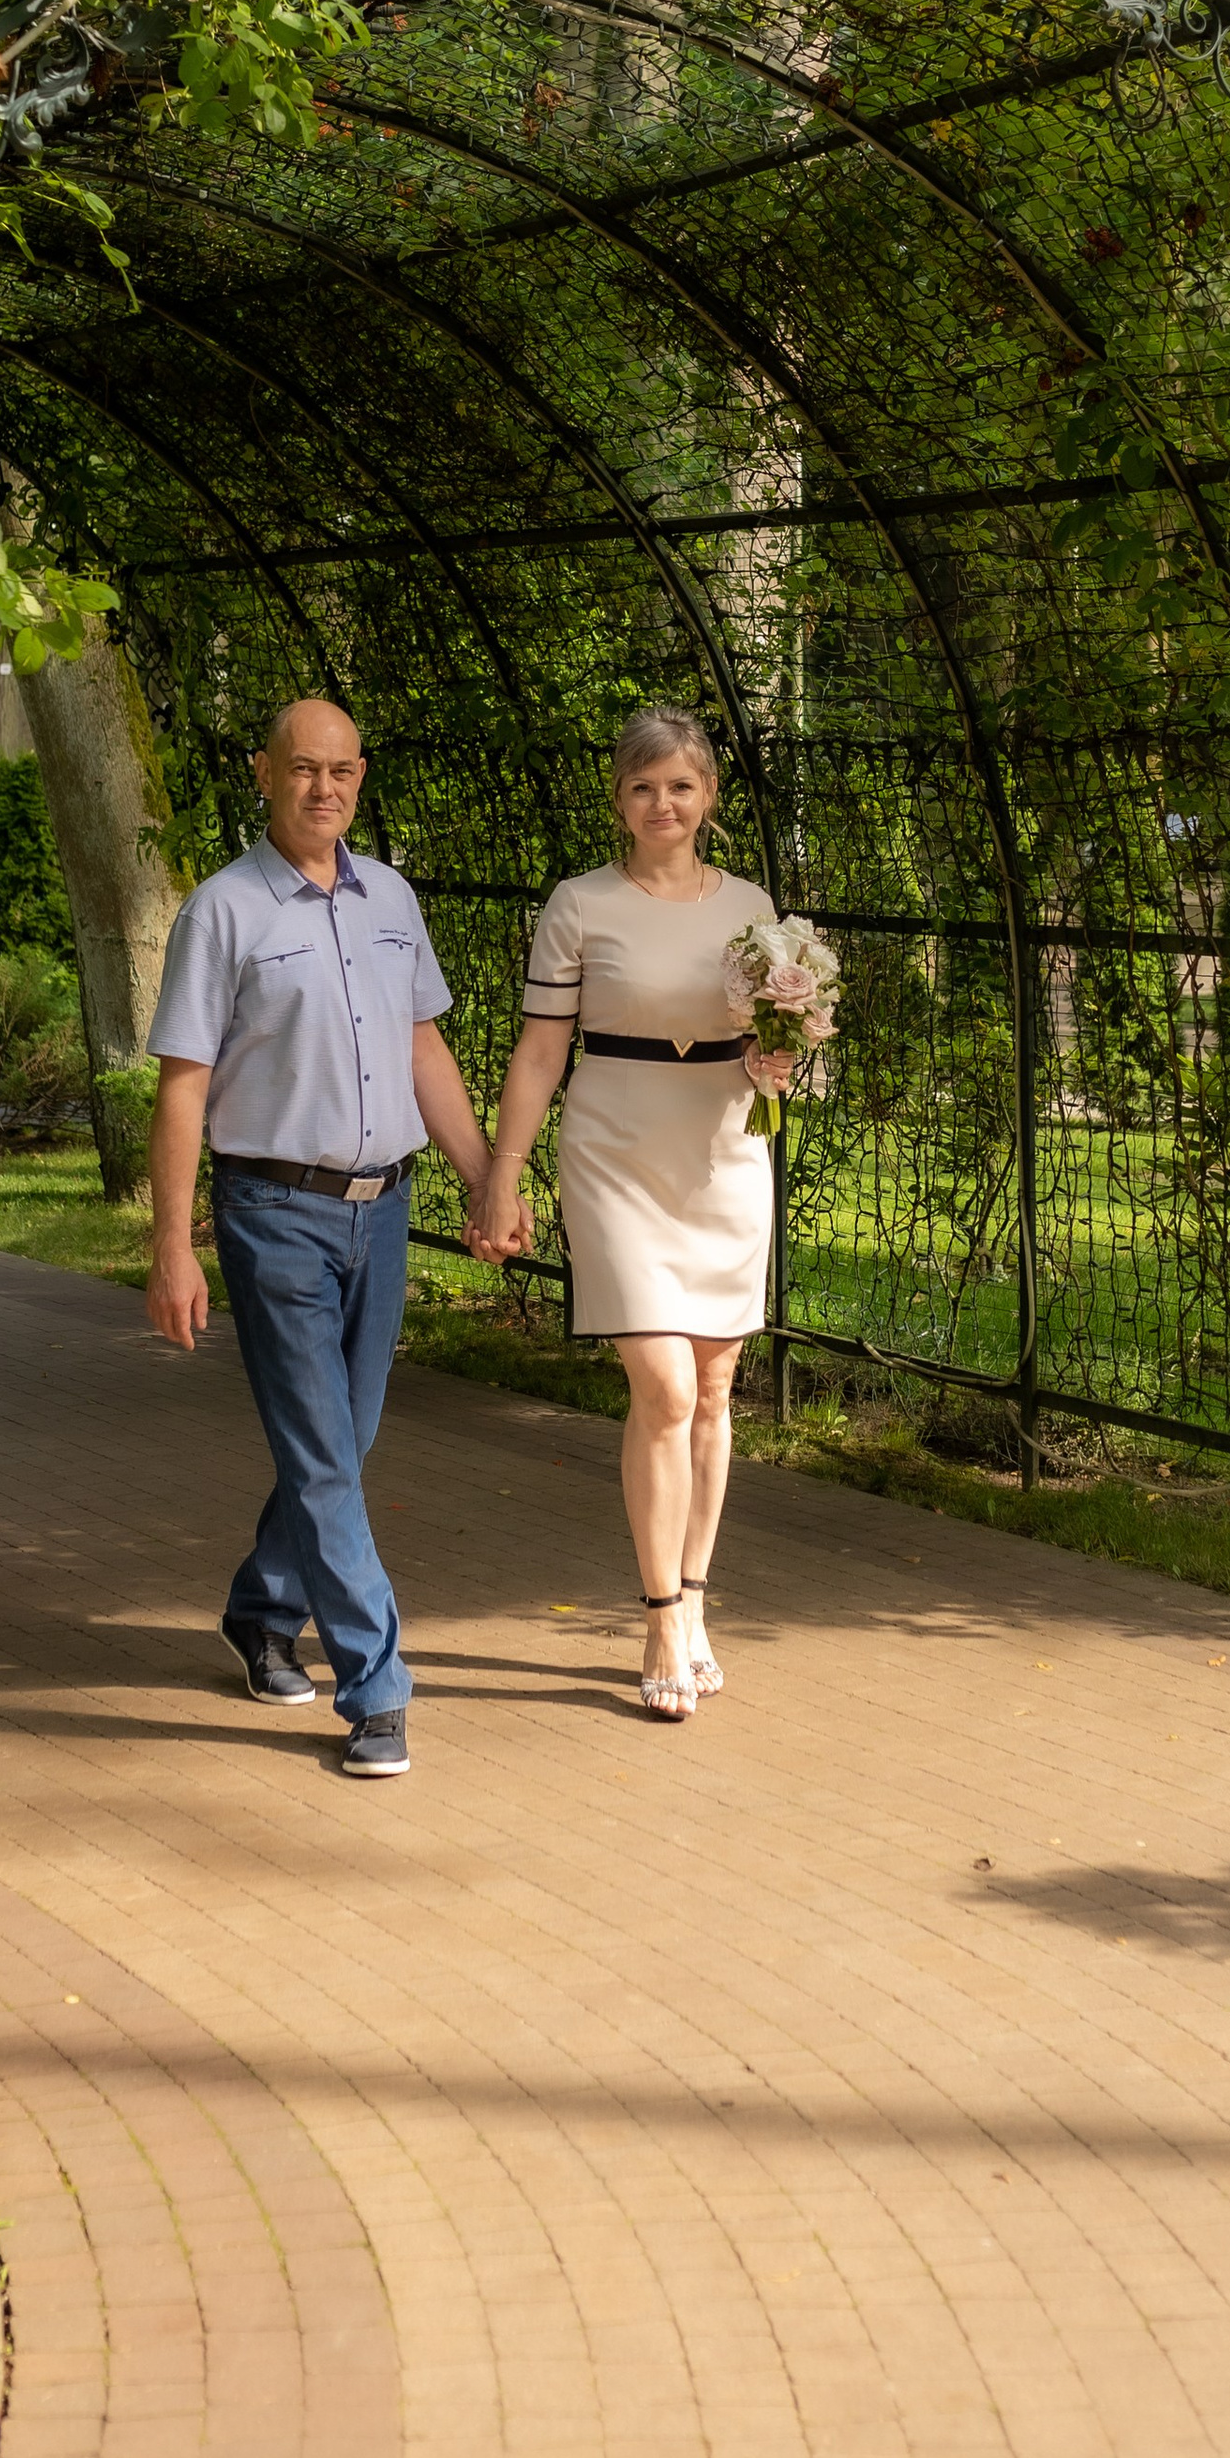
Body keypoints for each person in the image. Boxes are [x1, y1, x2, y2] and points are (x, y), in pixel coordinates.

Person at [145, 696, 496, 1779]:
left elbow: (424, 1050)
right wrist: (172, 1246)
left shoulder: (392, 897)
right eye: (302, 768)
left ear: (360, 777)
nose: (323, 788)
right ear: (265, 774)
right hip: (273, 1211)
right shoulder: (223, 911)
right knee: (321, 1451)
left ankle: (261, 1611)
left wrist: (487, 1178)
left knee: (347, 1438)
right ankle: (376, 1688)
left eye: (341, 770)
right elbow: (183, 1086)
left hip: (382, 1211)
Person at [470, 706, 797, 1720]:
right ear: (619, 800)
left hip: (724, 1157)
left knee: (713, 1388)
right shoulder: (580, 904)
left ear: (709, 797)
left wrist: (783, 1055)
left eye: (681, 786)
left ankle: (694, 1599)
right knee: (662, 1386)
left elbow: (771, 1037)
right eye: (644, 787)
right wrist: (502, 1173)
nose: (664, 804)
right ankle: (657, 1616)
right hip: (613, 1156)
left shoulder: (752, 906)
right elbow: (540, 1051)